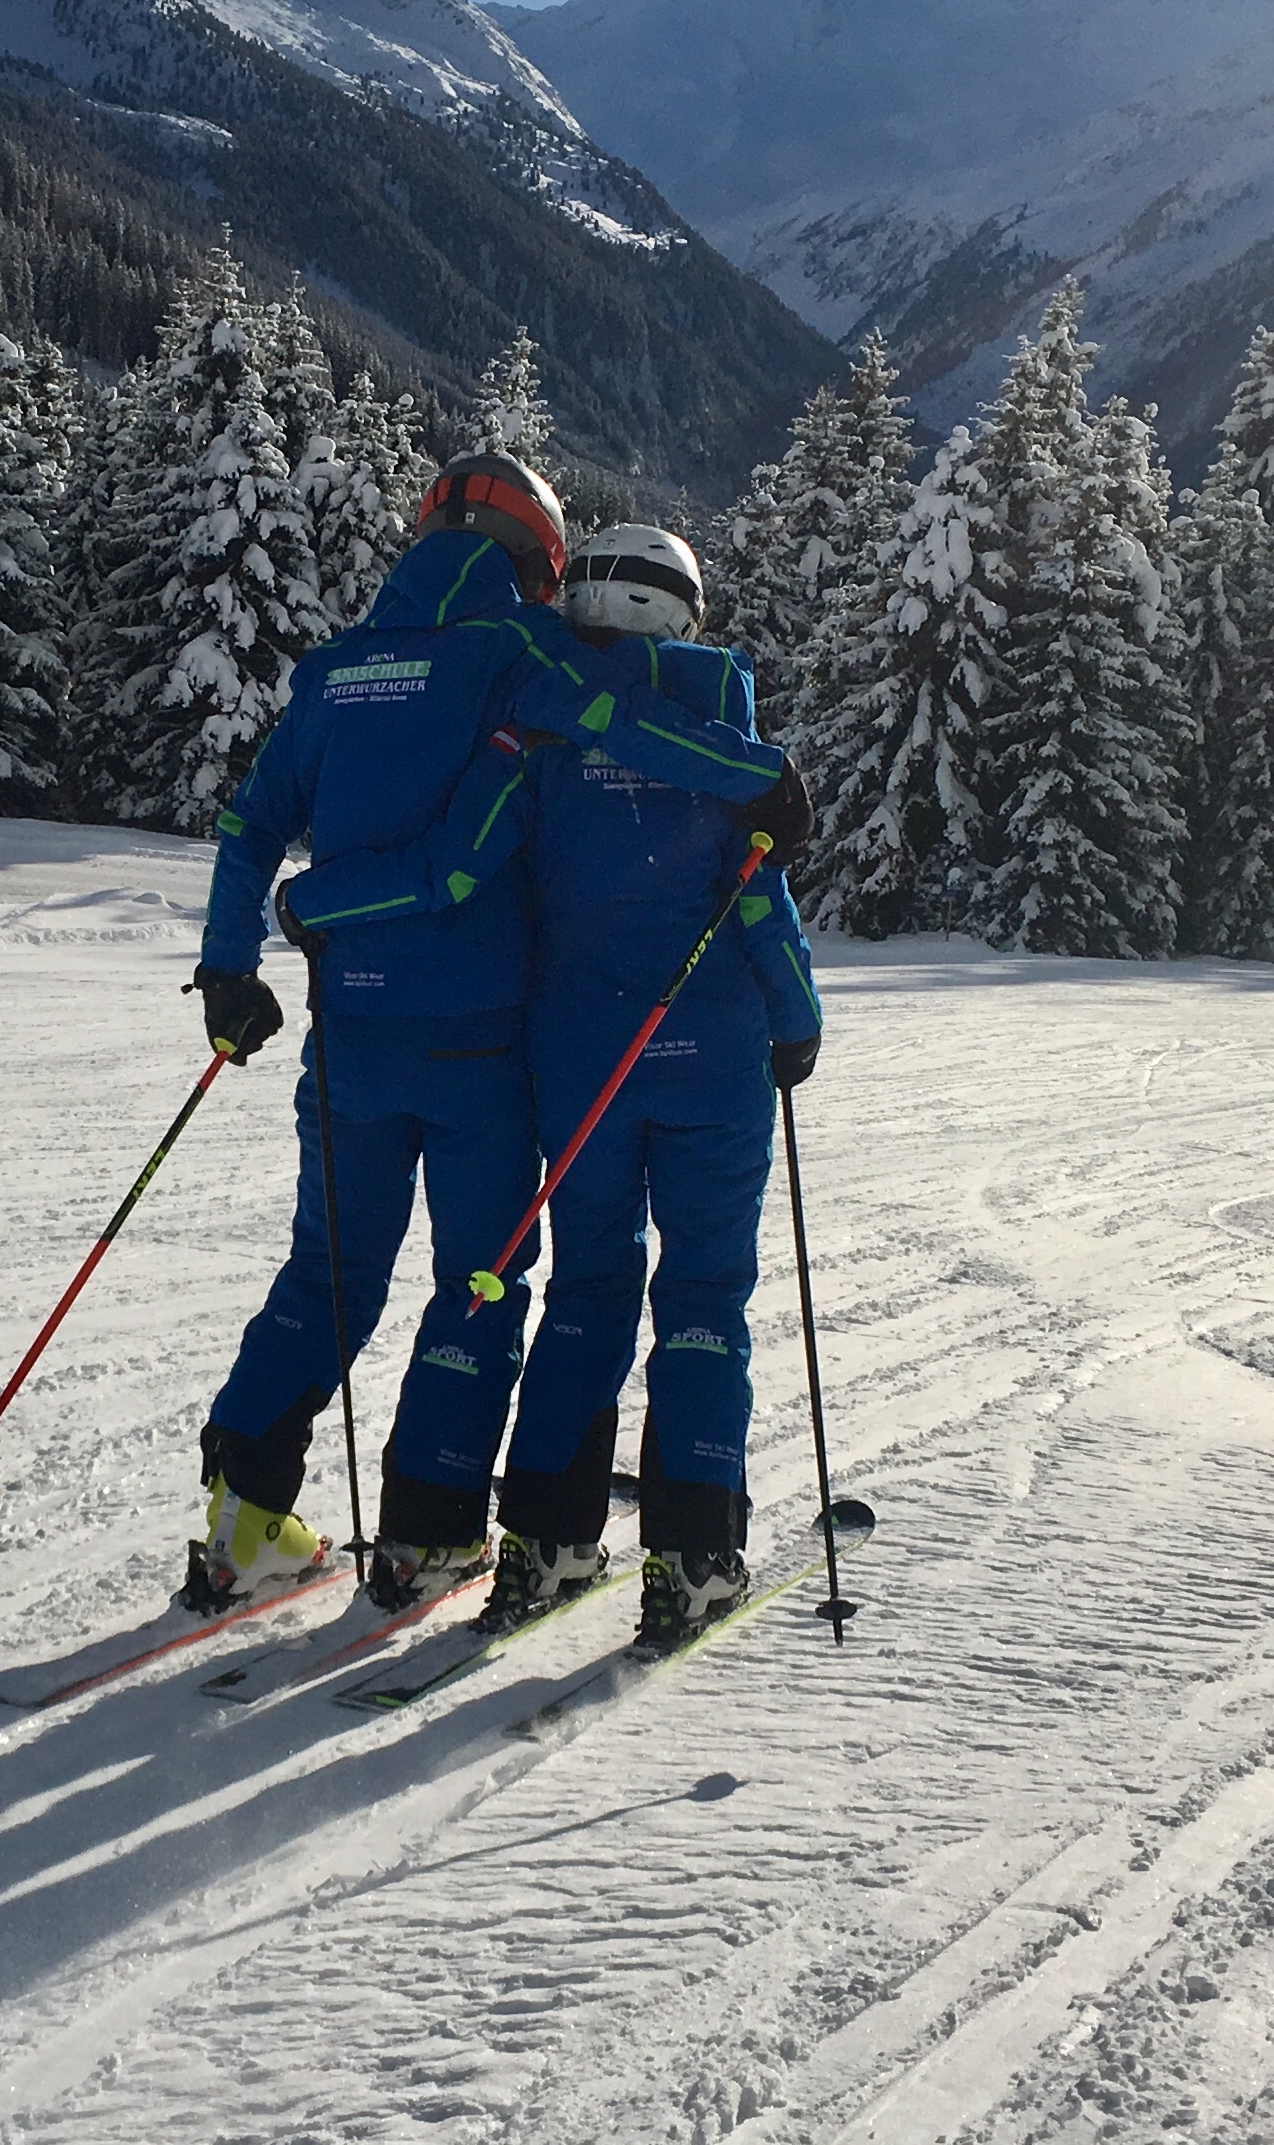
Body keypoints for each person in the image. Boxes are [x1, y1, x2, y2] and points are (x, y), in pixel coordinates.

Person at [189, 457, 811, 1618]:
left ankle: (242, 1521)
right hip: (481, 1047)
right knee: (478, 1286)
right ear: (534, 558)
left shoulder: (331, 673)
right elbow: (628, 724)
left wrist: (235, 961)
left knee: (327, 1272)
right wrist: (760, 772)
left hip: (350, 1039)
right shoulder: (522, 651)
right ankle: (427, 1535)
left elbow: (250, 821)